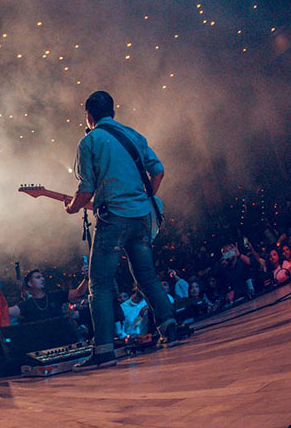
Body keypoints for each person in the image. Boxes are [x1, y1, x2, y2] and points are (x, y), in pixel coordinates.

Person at [63, 91, 178, 370]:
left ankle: (103, 350)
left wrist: (73, 208)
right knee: (147, 277)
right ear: (112, 112)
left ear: (89, 116)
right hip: (141, 218)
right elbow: (158, 171)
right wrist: (144, 198)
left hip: (113, 218)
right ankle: (170, 326)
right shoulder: (134, 135)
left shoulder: (89, 141)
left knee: (99, 284)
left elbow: (86, 188)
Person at [9, 268, 88, 323]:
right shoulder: (27, 305)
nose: (42, 279)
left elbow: (79, 292)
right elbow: (8, 312)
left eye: (42, 277)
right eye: (38, 277)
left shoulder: (56, 296)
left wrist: (87, 277)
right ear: (30, 283)